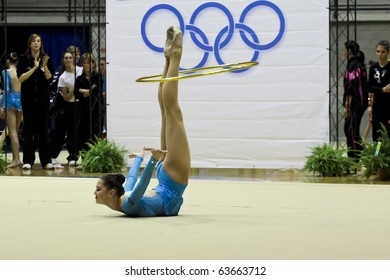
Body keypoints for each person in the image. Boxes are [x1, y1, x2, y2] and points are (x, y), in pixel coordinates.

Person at [94, 26, 190, 217]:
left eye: (97, 189)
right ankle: (173, 56)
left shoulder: (126, 202)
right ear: (112, 193)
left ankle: (171, 56)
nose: (94, 193)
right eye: (98, 189)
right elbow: (140, 185)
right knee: (170, 111)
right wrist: (152, 160)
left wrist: (140, 159)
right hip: (168, 182)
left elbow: (131, 181)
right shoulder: (128, 203)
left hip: (169, 181)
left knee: (168, 110)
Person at [17, 33, 54, 169]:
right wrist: (34, 67)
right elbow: (20, 78)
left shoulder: (46, 58)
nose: (36, 43)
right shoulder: (24, 59)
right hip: (28, 100)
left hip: (43, 100)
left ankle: (46, 161)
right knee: (29, 130)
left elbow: (49, 79)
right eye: (34, 41)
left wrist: (45, 66)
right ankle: (28, 160)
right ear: (30, 44)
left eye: (38, 41)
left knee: (44, 130)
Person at [49, 51, 83, 167]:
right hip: (68, 106)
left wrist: (74, 90)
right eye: (66, 58)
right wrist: (75, 89)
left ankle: (73, 157)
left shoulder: (81, 71)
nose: (68, 60)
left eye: (70, 58)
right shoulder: (63, 77)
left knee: (75, 133)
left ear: (74, 59)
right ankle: (53, 156)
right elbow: (66, 97)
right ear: (63, 60)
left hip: (80, 105)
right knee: (60, 131)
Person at [342, 41, 368, 161]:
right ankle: (360, 154)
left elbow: (351, 86)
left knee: (350, 129)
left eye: (344, 49)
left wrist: (347, 104)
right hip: (359, 103)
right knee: (351, 128)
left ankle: (354, 158)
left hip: (356, 103)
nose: (343, 52)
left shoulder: (354, 65)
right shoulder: (354, 64)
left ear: (349, 51)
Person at [74, 53, 104, 154]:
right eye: (85, 62)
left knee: (96, 134)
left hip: (96, 110)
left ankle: (96, 157)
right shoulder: (79, 79)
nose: (87, 65)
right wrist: (86, 91)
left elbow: (96, 92)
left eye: (89, 62)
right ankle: (84, 157)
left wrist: (83, 91)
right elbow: (76, 93)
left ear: (93, 64)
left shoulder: (98, 77)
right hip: (83, 110)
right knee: (83, 135)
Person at [0, 53, 23, 168]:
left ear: (8, 61)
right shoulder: (21, 72)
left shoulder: (6, 72)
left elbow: (7, 90)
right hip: (20, 101)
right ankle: (15, 158)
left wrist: (1, 105)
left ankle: (17, 159)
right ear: (17, 61)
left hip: (10, 102)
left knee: (12, 131)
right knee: (16, 131)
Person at [368, 40, 390, 141]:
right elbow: (370, 87)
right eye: (378, 51)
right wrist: (382, 89)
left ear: (388, 52)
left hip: (388, 104)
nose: (380, 54)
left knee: (387, 131)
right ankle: (377, 155)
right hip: (377, 104)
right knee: (377, 132)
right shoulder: (374, 67)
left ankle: (387, 155)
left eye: (382, 52)